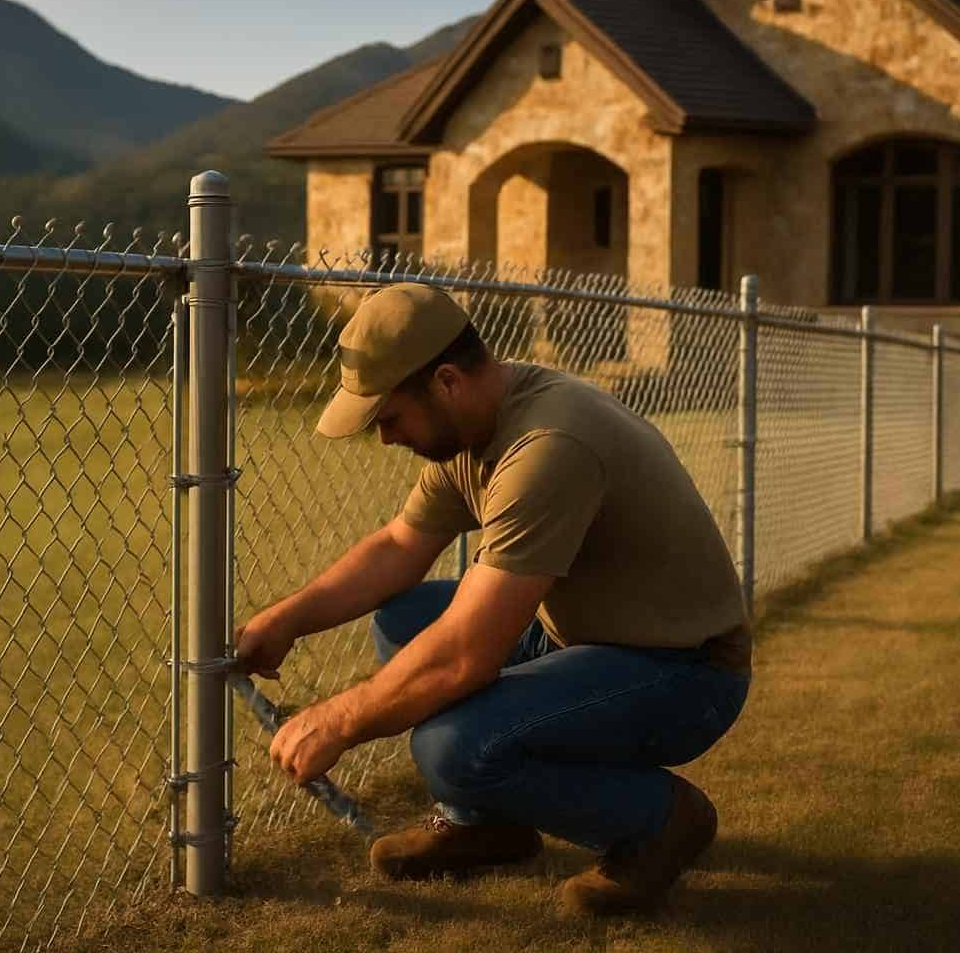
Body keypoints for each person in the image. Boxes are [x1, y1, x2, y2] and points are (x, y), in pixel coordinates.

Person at [234, 282, 751, 916]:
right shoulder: (482, 419)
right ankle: (487, 825)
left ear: (445, 381)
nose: (386, 439)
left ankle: (660, 820)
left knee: (453, 744)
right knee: (407, 615)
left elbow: (464, 659)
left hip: (684, 673)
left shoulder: (548, 447)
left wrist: (337, 720)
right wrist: (288, 619)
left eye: (389, 417)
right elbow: (401, 545)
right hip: (589, 638)